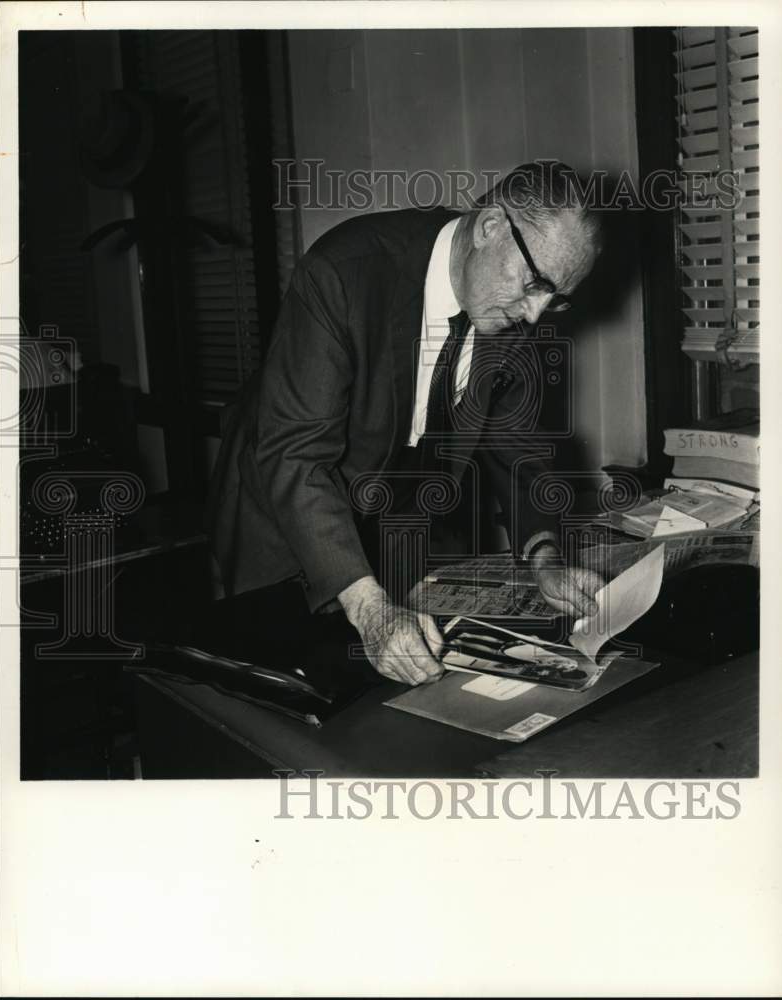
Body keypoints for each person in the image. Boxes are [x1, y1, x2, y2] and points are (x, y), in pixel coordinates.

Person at [209, 160, 605, 687]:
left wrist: (543, 556)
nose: (535, 314)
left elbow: (517, 446)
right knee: (285, 701)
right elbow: (295, 456)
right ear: (491, 227)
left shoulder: (507, 301)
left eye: (554, 299)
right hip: (289, 511)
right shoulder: (345, 272)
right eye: (535, 285)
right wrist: (371, 609)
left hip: (394, 514)